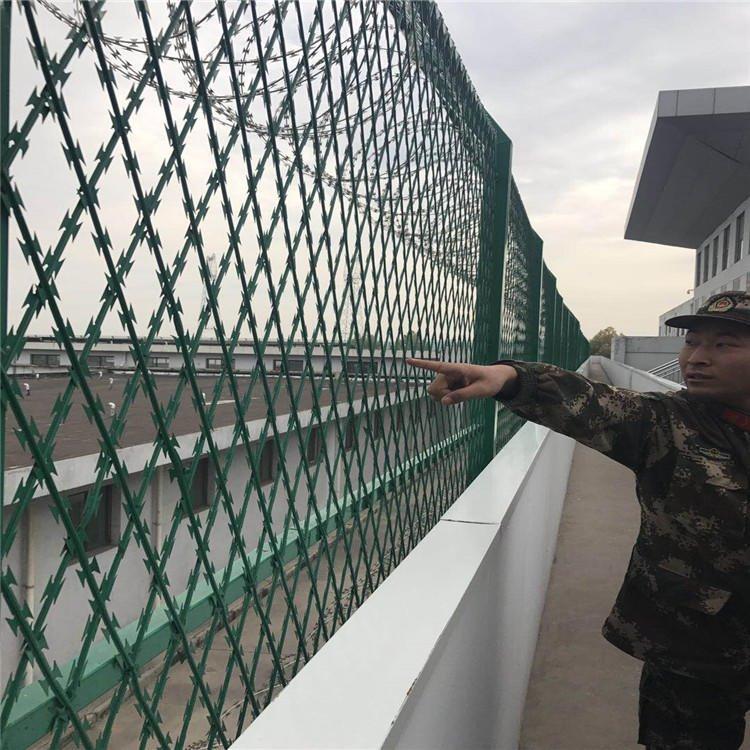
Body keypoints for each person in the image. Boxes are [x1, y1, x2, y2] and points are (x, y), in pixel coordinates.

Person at [406, 290, 750, 750]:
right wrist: (509, 378)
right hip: (695, 650)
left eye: (724, 344)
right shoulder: (668, 424)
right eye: (692, 342)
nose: (698, 358)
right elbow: (590, 402)